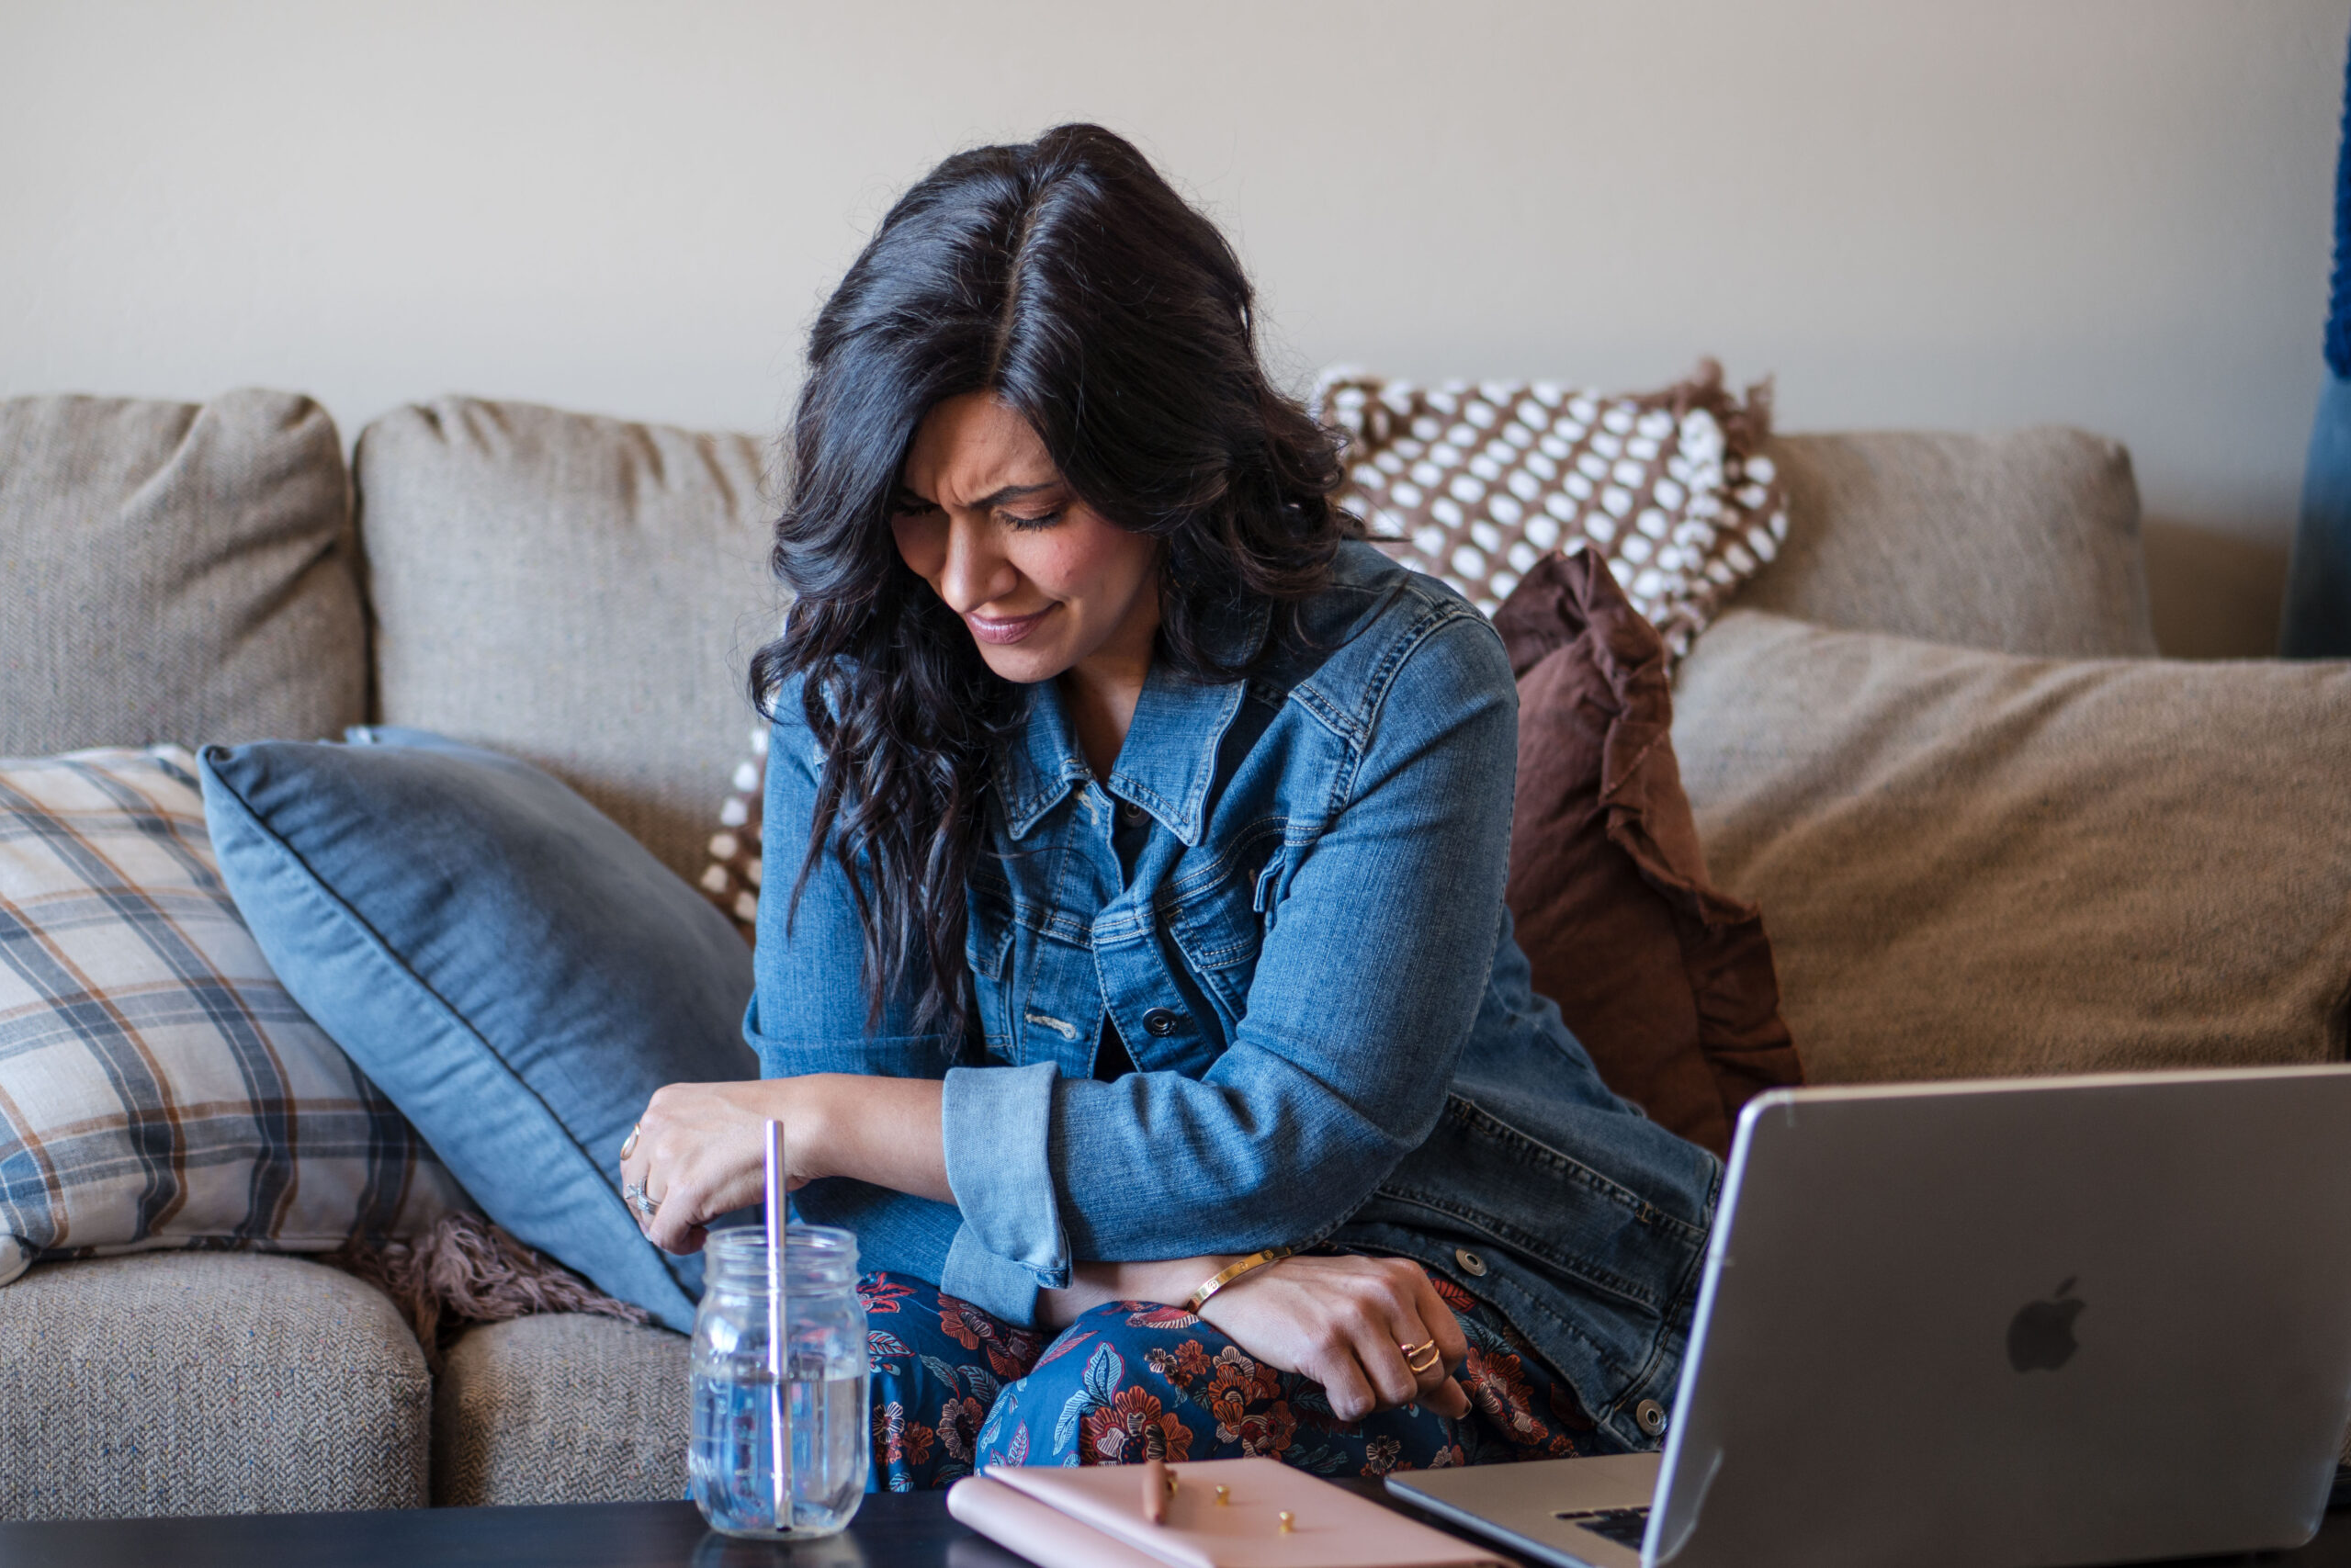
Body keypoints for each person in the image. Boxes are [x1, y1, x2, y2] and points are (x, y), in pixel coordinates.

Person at [619, 123, 1719, 1490]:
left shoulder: (1407, 680)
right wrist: (1175, 1280)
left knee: (1120, 1414)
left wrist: (828, 1116)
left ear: (1173, 463)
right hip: (1154, 1275)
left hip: (1446, 1260)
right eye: (915, 510)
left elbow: (1287, 1143)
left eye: (1028, 511)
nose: (966, 580)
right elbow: (827, 1208)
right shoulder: (859, 680)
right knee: (837, 1372)